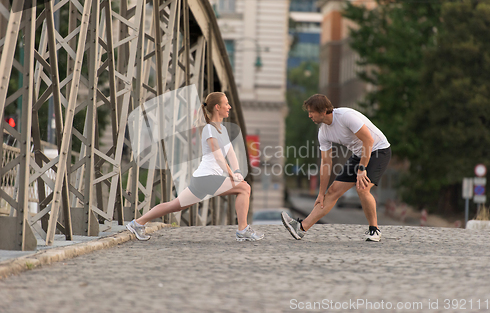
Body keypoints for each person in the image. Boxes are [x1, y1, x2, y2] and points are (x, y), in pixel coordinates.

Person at [126, 92, 264, 242]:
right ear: (217, 107)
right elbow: (218, 157)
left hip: (203, 179)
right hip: (207, 178)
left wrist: (237, 171)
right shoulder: (209, 129)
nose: (229, 107)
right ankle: (242, 230)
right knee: (245, 188)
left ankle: (137, 223)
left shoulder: (222, 130)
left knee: (175, 205)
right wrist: (231, 175)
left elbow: (231, 154)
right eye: (226, 104)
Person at [281, 94, 391, 242]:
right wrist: (321, 193)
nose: (309, 115)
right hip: (359, 154)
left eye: (312, 111)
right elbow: (326, 163)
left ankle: (374, 230)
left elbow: (368, 140)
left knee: (362, 188)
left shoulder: (345, 116)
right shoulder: (323, 132)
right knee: (332, 191)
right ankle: (301, 228)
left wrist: (362, 169)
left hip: (379, 150)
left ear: (323, 111)